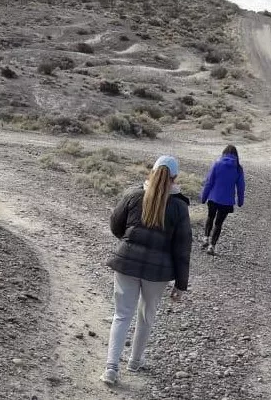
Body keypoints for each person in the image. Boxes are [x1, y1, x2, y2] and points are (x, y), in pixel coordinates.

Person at [100, 155, 192, 385]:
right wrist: (181, 284)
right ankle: (134, 361)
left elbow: (115, 225)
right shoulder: (179, 207)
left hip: (126, 264)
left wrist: (129, 243)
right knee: (146, 316)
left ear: (152, 172)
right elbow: (182, 248)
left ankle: (111, 368)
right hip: (158, 273)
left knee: (122, 315)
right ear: (175, 178)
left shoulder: (133, 195)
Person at [200, 145, 245, 255]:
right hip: (227, 201)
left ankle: (205, 238)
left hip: (213, 198)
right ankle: (212, 246)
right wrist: (240, 201)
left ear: (224, 153)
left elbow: (209, 182)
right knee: (219, 224)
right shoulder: (238, 168)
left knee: (210, 217)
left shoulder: (217, 164)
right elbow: (241, 187)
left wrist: (204, 197)